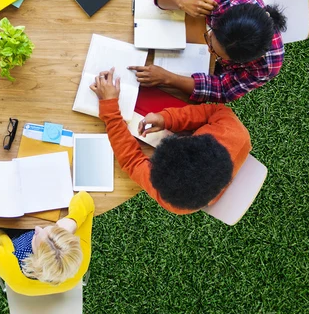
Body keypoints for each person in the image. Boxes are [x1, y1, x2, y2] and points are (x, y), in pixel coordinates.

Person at [92, 69, 251, 214]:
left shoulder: (171, 195)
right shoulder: (235, 131)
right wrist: (167, 119)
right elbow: (214, 110)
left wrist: (110, 108)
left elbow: (132, 161)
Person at [128, 0, 287, 102]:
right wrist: (181, 1)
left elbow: (224, 90)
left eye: (216, 54)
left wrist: (168, 78)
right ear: (218, 19)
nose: (208, 49)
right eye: (210, 40)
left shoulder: (268, 66)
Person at [0, 153, 94, 295]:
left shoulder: (9, 264)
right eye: (53, 229)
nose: (37, 228)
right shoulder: (78, 255)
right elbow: (84, 198)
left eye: (36, 237)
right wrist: (72, 221)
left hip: (18, 265)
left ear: (35, 259)